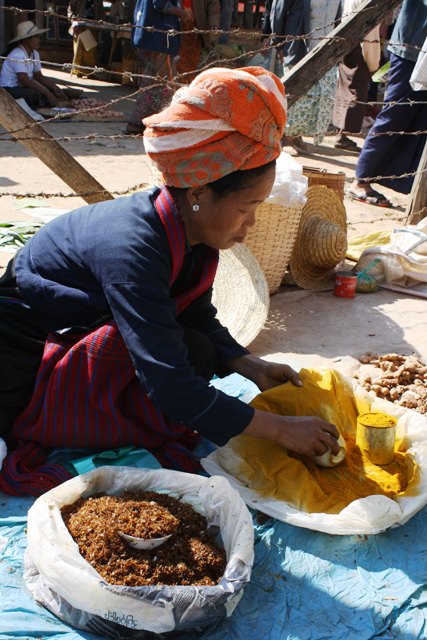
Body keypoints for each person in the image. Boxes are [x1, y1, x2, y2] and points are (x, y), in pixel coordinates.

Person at [0, 66, 339, 496]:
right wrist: (277, 429)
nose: (251, 224)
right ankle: (53, 415)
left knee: (196, 351)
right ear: (199, 194)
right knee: (180, 375)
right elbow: (170, 386)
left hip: (78, 329)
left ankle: (106, 413)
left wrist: (249, 365)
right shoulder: (132, 247)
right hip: (22, 351)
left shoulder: (190, 232)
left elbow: (195, 313)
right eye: (246, 207)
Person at [349, 0, 427, 206]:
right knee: (395, 114)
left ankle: (415, 189)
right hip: (411, 49)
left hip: (420, 50)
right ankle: (361, 181)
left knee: (420, 125)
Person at [125, 0, 189, 135]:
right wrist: (183, 14)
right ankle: (144, 123)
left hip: (151, 35)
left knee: (154, 82)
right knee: (159, 84)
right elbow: (160, 3)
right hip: (159, 38)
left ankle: (144, 123)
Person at [332, 0, 381, 152]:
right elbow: (371, 34)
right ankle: (343, 135)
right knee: (355, 91)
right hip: (360, 47)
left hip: (346, 43)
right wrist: (373, 63)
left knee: (345, 88)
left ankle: (340, 132)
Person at [0, 20, 67, 110]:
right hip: (9, 89)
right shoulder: (17, 54)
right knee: (34, 94)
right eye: (37, 37)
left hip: (22, 87)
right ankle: (48, 103)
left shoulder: (35, 53)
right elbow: (25, 81)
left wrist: (54, 87)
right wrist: (48, 94)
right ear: (27, 39)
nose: (39, 40)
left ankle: (50, 101)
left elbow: (39, 76)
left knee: (49, 91)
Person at [67, 0, 102, 77]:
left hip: (92, 25)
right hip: (79, 25)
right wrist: (73, 19)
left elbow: (100, 11)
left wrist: (100, 21)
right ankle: (78, 71)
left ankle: (89, 72)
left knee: (90, 50)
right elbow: (70, 9)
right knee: (79, 50)